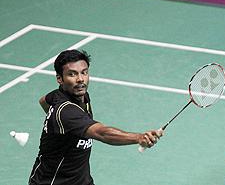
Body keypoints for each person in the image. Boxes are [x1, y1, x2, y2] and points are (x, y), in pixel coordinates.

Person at [29, 49, 163, 185]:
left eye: (84, 72)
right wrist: (138, 137)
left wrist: (58, 129)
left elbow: (44, 101)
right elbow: (102, 133)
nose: (80, 79)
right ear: (60, 79)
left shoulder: (79, 96)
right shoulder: (66, 112)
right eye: (72, 74)